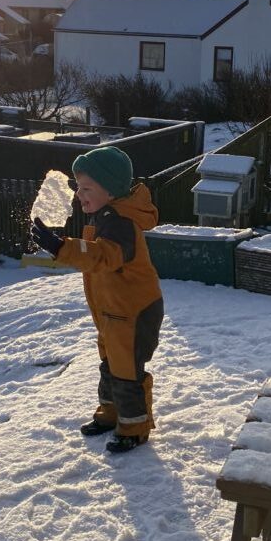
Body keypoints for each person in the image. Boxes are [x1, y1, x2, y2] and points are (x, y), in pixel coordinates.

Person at [31, 146, 164, 455]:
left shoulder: (122, 223)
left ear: (111, 190)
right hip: (112, 311)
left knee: (126, 370)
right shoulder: (106, 217)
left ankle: (134, 427)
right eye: (78, 187)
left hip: (133, 313)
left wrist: (62, 248)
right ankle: (111, 414)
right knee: (110, 364)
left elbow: (103, 256)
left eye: (87, 188)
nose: (79, 194)